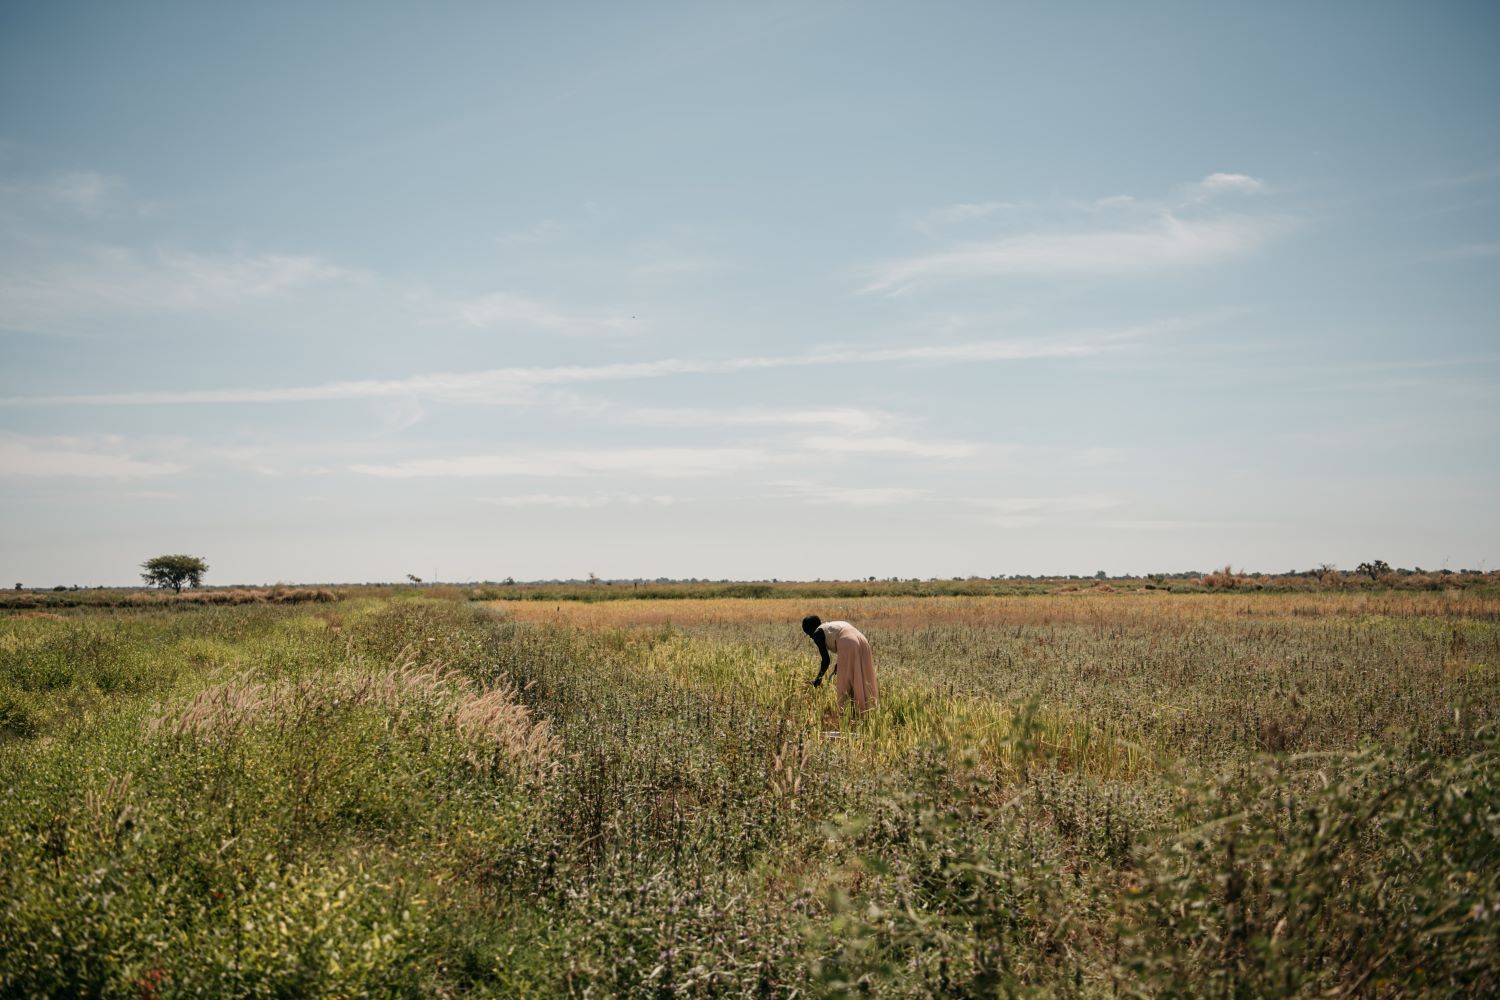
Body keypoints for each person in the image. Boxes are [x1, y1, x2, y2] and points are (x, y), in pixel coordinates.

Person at [802, 615, 878, 713]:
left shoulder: (817, 633)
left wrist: (818, 679)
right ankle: (867, 709)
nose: (810, 636)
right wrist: (839, 663)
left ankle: (852, 712)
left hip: (848, 643)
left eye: (808, 633)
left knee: (846, 682)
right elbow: (845, 638)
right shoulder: (830, 626)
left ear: (811, 628)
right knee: (862, 674)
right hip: (862, 640)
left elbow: (826, 660)